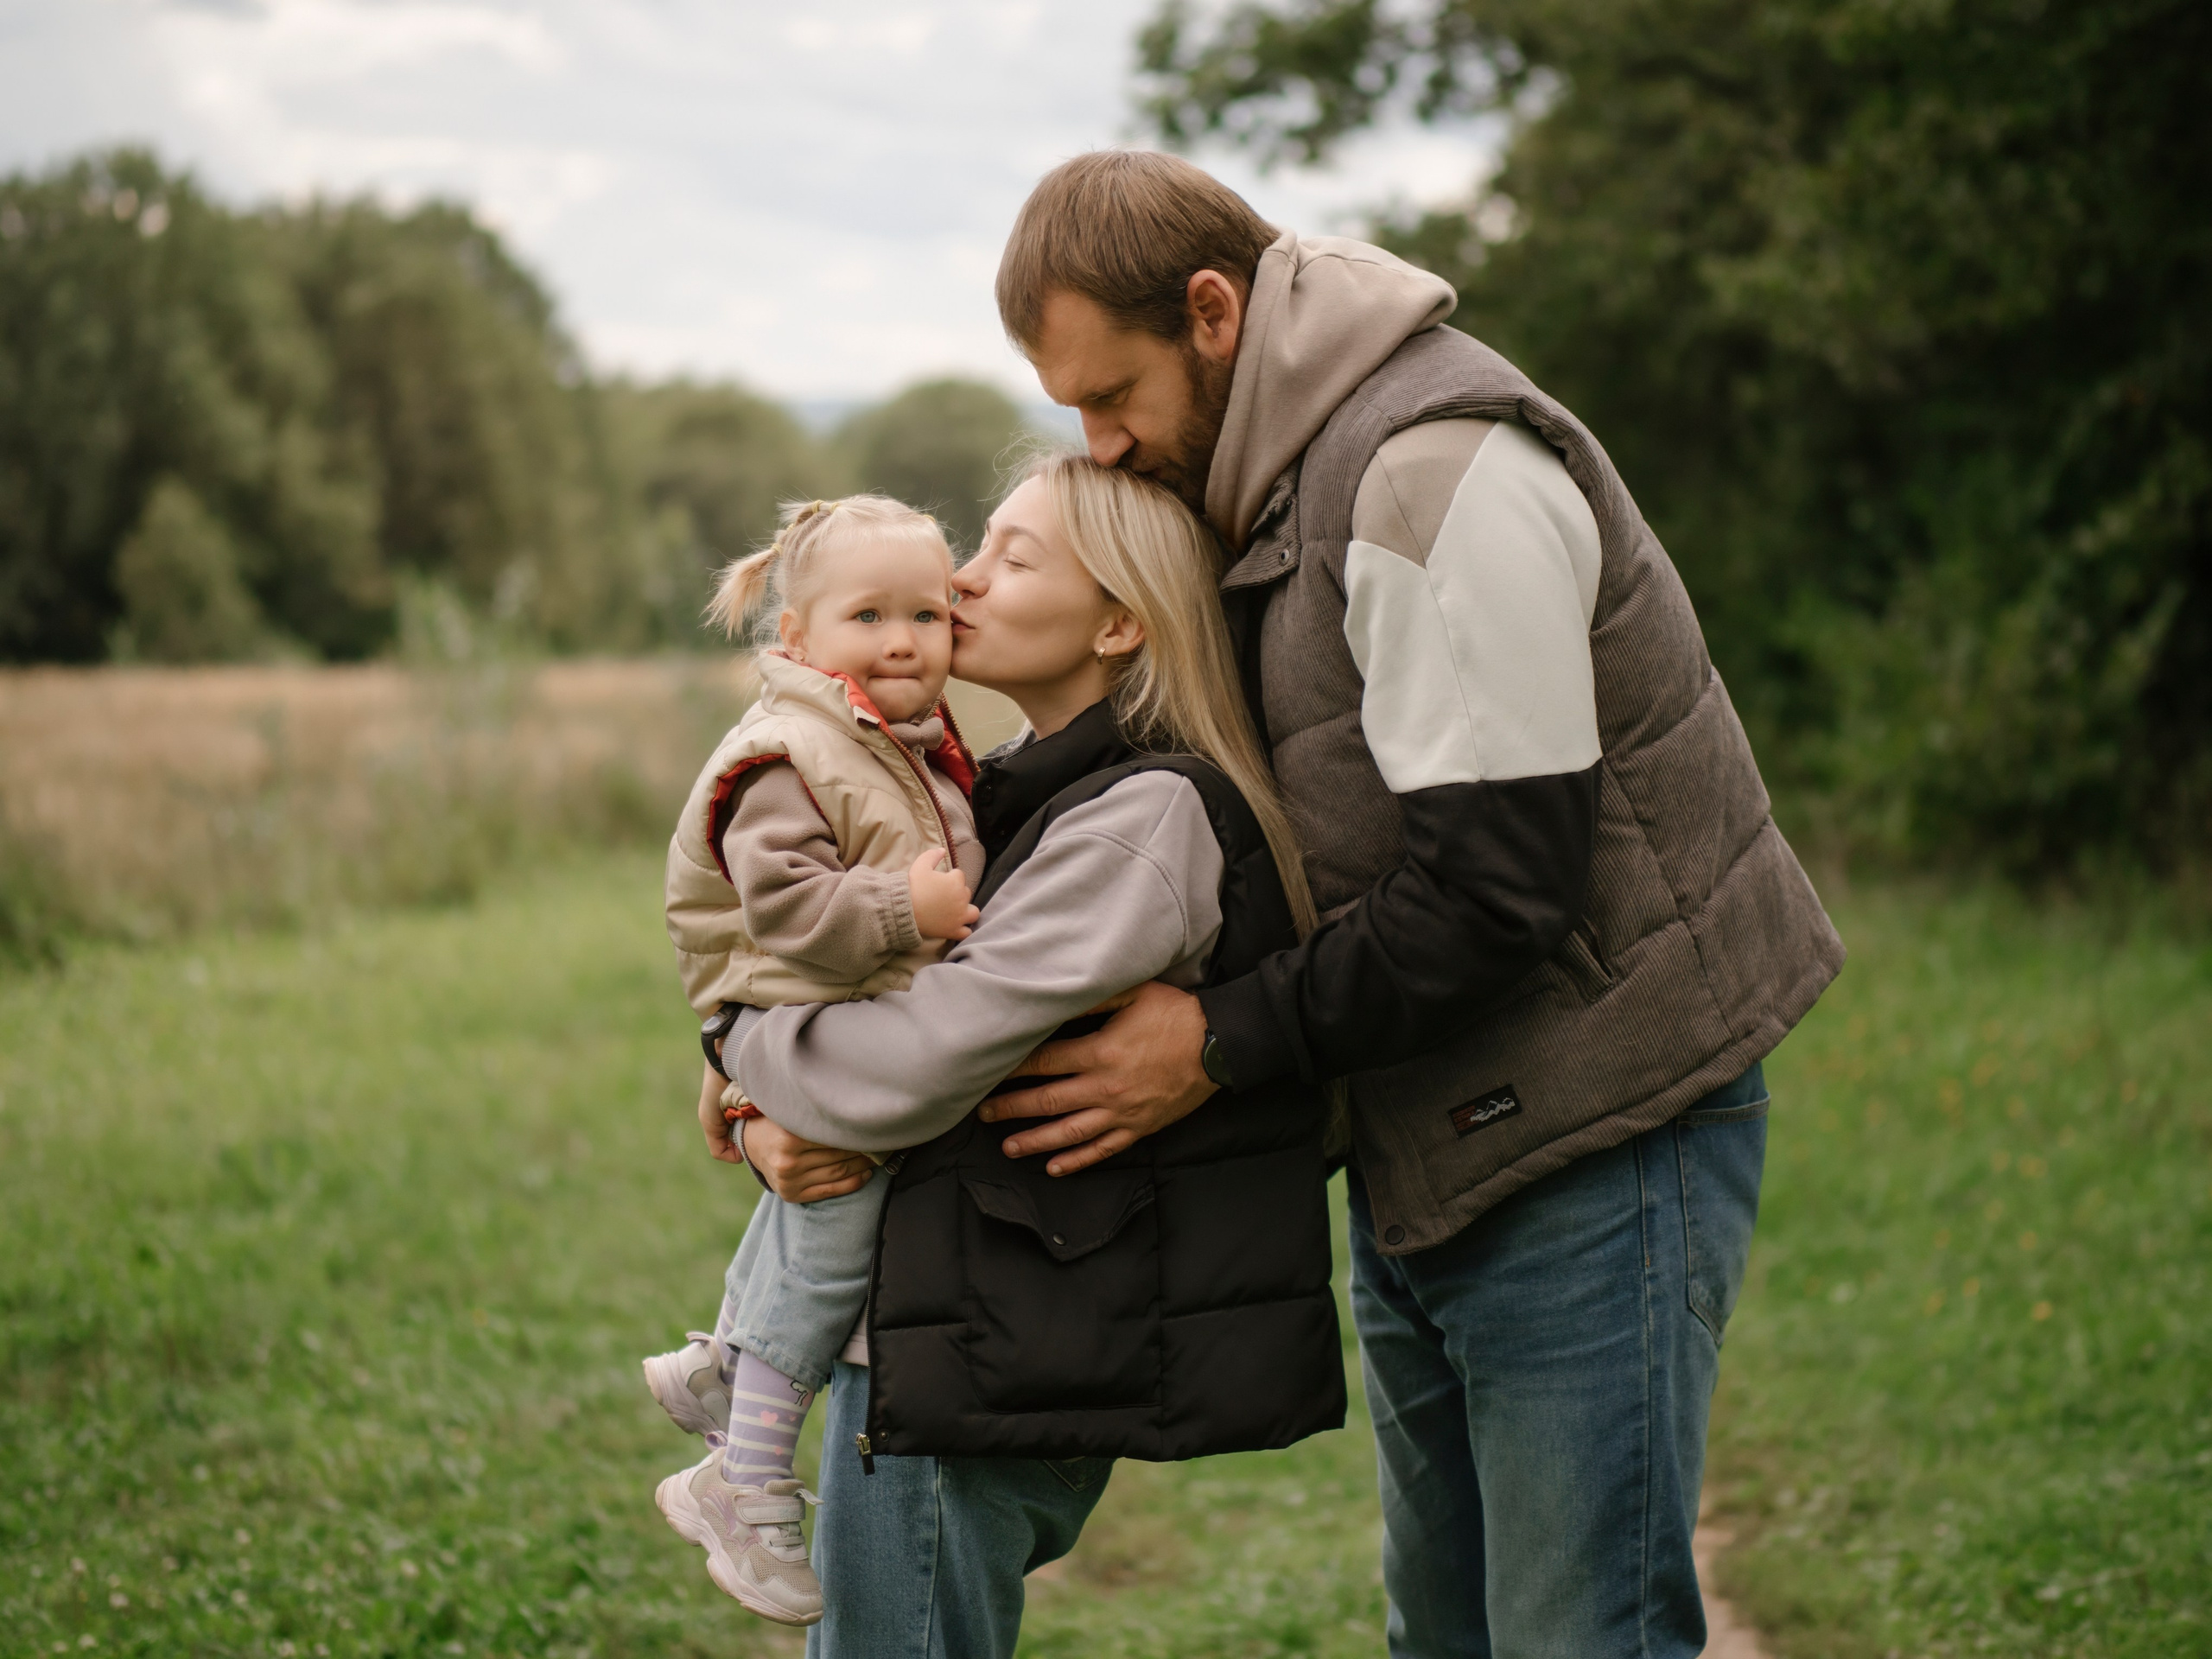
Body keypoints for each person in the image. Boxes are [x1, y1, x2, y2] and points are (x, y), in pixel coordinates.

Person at [954, 150, 1849, 1656]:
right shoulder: (1276, 477)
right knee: (1445, 1635)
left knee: (1581, 1636)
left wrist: (1219, 1045)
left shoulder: (1430, 475)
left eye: (1113, 399)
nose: (1100, 449)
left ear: (1216, 312)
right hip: (1438, 1132)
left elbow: (1497, 892)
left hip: (1597, 1134)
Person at [722, 454, 1345, 1656]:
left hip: (984, 1340)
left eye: (1012, 559)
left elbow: (910, 1059)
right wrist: (756, 1097)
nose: (959, 581)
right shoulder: (1007, 788)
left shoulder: (1143, 818)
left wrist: (745, 1049)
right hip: (957, 1317)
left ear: (1121, 621)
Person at [641, 493, 985, 1626]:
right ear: (795, 639)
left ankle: (726, 1366)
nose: (903, 640)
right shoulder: (791, 749)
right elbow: (786, 908)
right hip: (790, 1006)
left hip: (813, 1015)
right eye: (868, 616)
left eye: (927, 614)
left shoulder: (882, 740)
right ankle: (744, 1482)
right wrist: (908, 907)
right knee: (840, 1220)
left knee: (824, 1192)